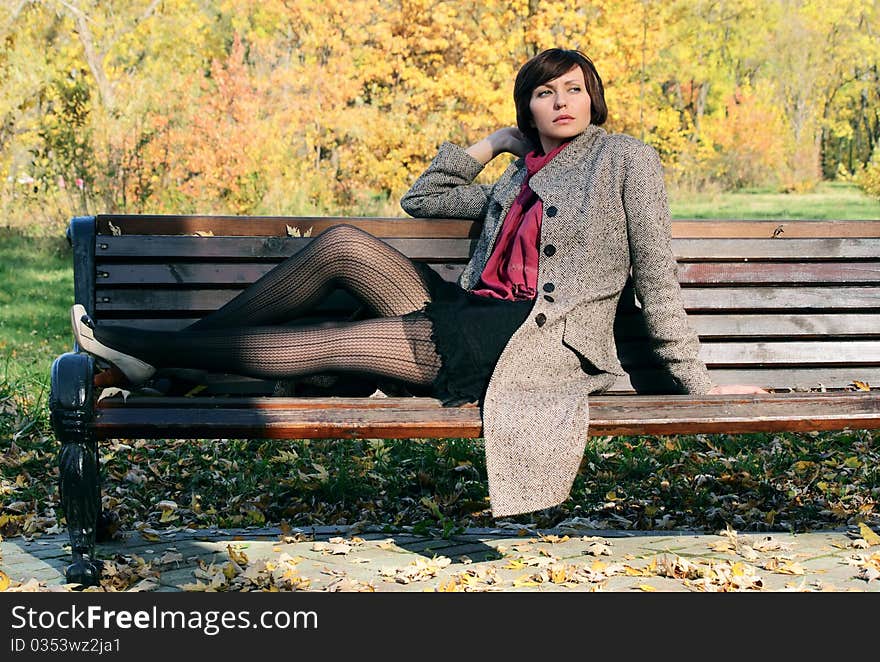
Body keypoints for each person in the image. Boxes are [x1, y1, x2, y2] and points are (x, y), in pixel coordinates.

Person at [71, 48, 765, 518]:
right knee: (342, 245)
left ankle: (142, 350)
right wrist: (496, 143)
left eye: (574, 90)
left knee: (335, 342)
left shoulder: (626, 161)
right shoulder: (518, 174)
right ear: (528, 110)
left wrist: (704, 391)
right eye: (544, 94)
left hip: (531, 341)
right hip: (472, 313)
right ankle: (162, 362)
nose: (562, 103)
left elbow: (659, 285)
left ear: (595, 99)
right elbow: (424, 196)